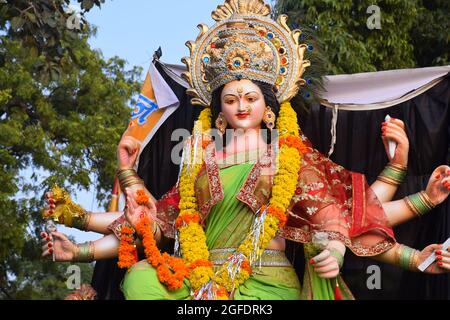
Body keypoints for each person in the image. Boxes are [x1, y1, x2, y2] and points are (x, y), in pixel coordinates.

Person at [40, 0, 450, 300]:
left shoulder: (288, 155)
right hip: (199, 279)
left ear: (268, 107)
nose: (240, 105)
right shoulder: (199, 159)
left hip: (263, 281)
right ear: (218, 106)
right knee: (140, 279)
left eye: (250, 97)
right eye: (231, 98)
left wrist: (412, 228)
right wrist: (77, 238)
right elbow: (152, 223)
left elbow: (343, 215)